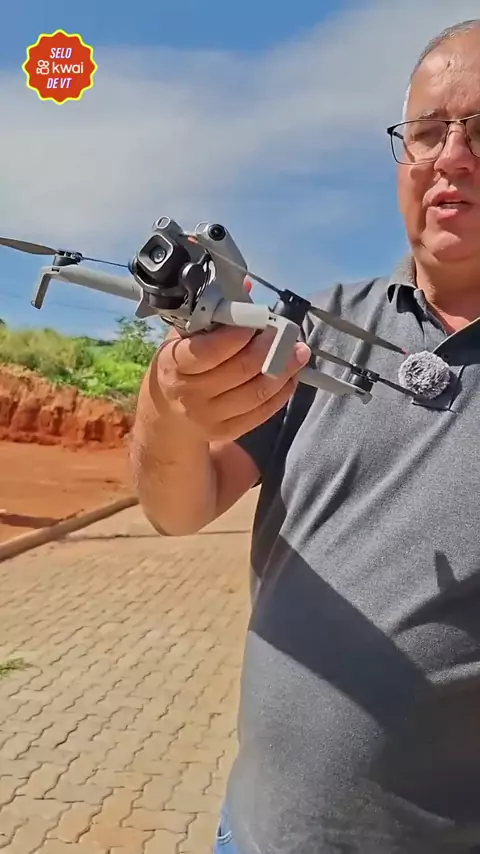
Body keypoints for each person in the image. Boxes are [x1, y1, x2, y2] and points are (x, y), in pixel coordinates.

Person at [131, 18, 480, 854]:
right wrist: (170, 400)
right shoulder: (309, 329)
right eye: (428, 131)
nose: (453, 157)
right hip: (257, 837)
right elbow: (177, 508)